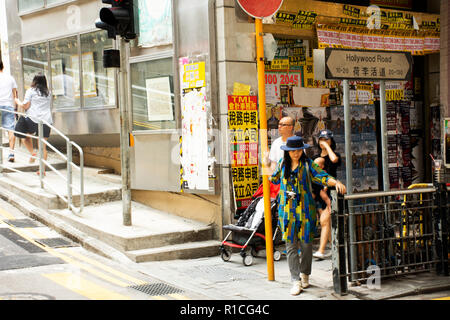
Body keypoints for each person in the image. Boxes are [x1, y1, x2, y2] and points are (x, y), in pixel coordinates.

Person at [270, 135, 346, 296]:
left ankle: (305, 275)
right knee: (290, 247)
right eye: (292, 151)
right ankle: (295, 280)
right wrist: (267, 164)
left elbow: (322, 176)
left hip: (305, 212)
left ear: (302, 150)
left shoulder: (307, 165)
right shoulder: (283, 164)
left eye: (298, 150)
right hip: (287, 212)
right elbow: (274, 179)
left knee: (306, 246)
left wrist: (336, 182)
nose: (295, 153)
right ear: (288, 152)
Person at [312, 129, 342, 260]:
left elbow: (334, 159)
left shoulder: (334, 155)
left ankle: (321, 250)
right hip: (319, 192)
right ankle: (336, 249)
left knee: (324, 221)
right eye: (321, 139)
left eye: (326, 139)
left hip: (331, 192)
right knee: (326, 223)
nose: (323, 142)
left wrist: (327, 147)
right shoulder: (315, 158)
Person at [14, 74, 53, 174]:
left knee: (24, 136)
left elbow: (25, 106)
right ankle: (42, 170)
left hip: (33, 119)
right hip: (46, 121)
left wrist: (17, 101)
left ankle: (32, 153)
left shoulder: (31, 91)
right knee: (42, 146)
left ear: (34, 81)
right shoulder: (49, 93)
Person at [0, 59, 18, 162]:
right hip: (8, 105)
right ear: (3, 66)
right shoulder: (10, 78)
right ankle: (11, 153)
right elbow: (14, 95)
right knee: (11, 129)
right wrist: (15, 108)